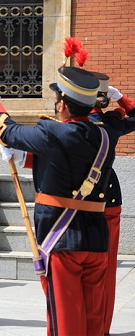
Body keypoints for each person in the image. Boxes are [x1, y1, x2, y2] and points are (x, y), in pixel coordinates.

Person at [0, 65, 127, 335]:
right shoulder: (105, 135)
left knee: (66, 320)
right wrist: (25, 158)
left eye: (56, 99)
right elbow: (66, 166)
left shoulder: (53, 133)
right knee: (93, 321)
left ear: (63, 105)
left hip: (62, 240)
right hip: (96, 239)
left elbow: (8, 131)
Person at [87, 73, 135, 335]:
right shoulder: (112, 124)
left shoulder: (68, 125)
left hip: (75, 200)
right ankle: (102, 327)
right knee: (105, 270)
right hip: (109, 196)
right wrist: (122, 99)